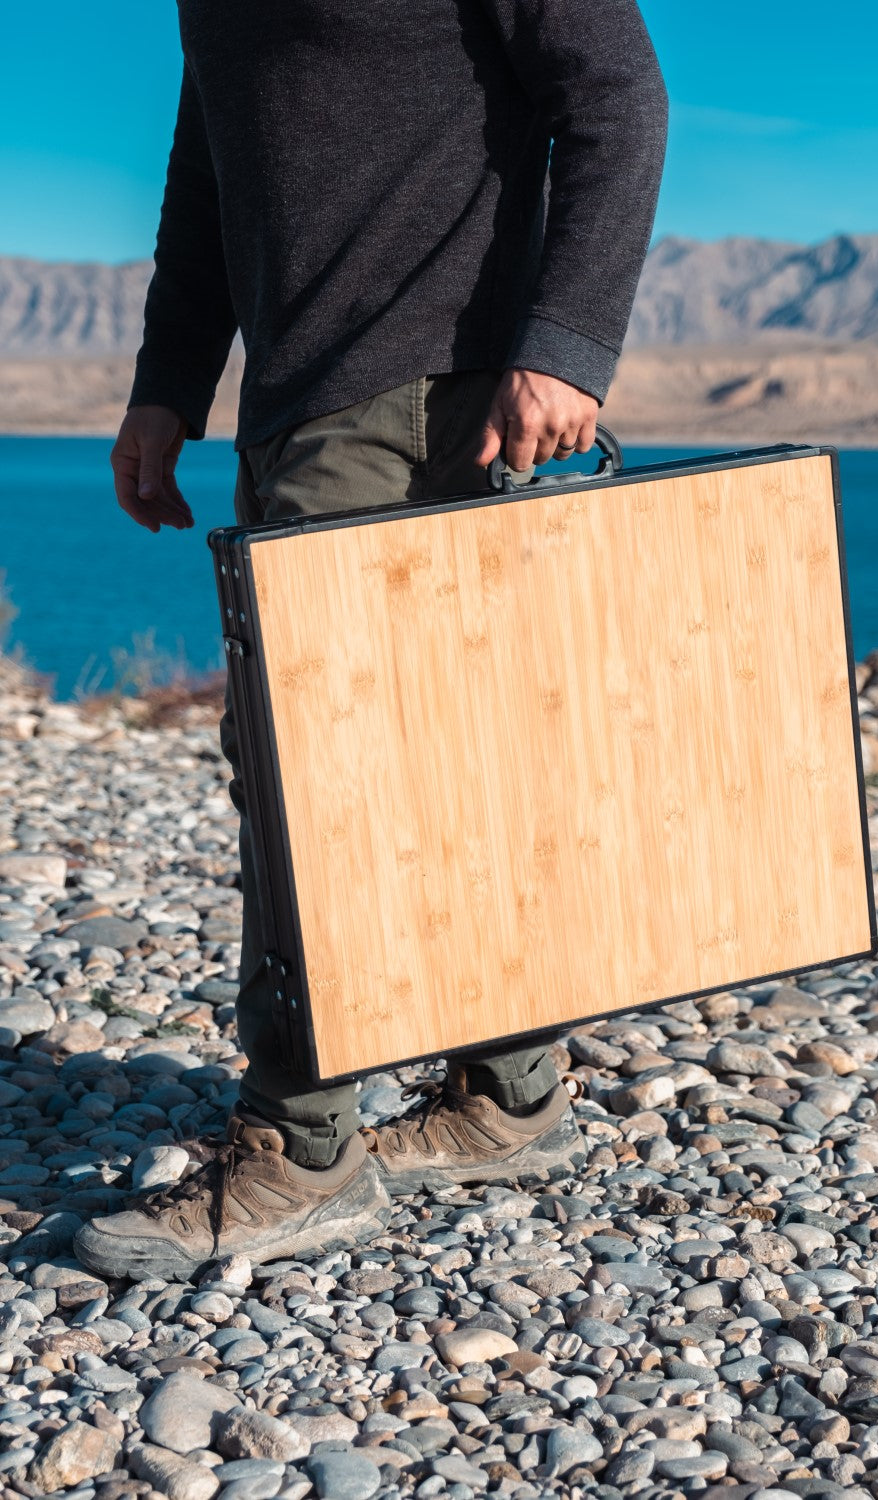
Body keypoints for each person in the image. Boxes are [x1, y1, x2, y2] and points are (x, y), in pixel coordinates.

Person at [76, 0, 667, 1281]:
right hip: (301, 403)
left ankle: (303, 1152)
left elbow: (616, 96)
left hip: (436, 397)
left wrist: (567, 346)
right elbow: (209, 170)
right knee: (438, 759)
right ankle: (509, 1091)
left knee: (309, 777)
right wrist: (169, 384)